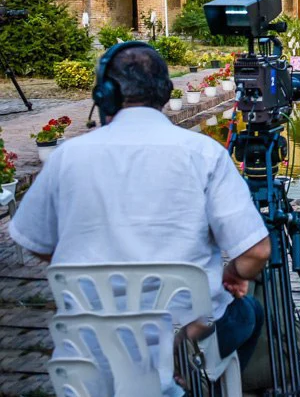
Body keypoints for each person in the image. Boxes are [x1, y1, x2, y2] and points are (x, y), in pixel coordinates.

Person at [9, 44, 271, 393]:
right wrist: (233, 273)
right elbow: (256, 252)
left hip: (90, 341)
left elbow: (32, 237)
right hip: (184, 334)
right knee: (249, 312)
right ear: (165, 92)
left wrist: (83, 265)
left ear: (104, 95)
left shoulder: (66, 157)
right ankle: (189, 378)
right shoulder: (203, 154)